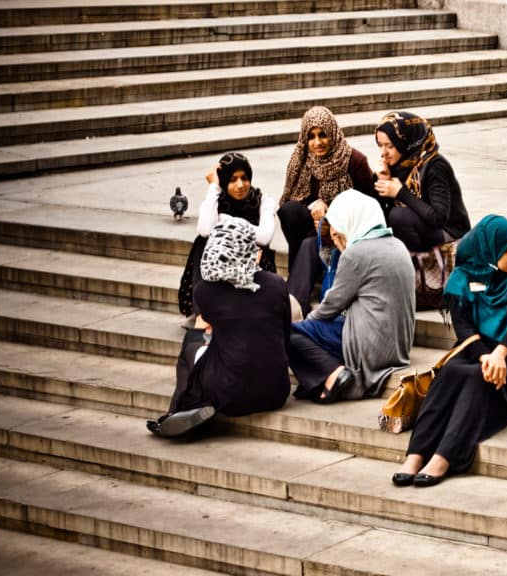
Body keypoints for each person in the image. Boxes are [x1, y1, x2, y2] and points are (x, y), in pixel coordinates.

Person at [391, 215, 507, 488]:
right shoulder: (463, 277)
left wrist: (499, 354)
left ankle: (444, 456)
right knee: (449, 373)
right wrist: (485, 354)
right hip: (475, 347)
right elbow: (463, 326)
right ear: (489, 250)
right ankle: (416, 454)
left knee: (475, 377)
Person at [151, 216, 292, 437]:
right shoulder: (276, 285)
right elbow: (285, 335)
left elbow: (205, 328)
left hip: (229, 394)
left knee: (192, 342)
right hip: (276, 392)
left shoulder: (206, 291)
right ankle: (186, 409)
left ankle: (179, 409)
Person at [288, 190, 415, 403]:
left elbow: (330, 306)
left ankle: (334, 374)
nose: (338, 237)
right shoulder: (398, 246)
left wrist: (305, 326)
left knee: (289, 334)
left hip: (370, 347)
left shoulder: (357, 254)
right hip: (397, 347)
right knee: (316, 330)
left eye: (338, 232)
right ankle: (325, 376)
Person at [279, 107, 377, 315]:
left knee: (309, 245)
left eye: (322, 135)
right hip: (315, 230)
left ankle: (294, 304)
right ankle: (297, 296)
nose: (317, 143)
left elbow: (369, 206)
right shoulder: (303, 160)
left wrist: (334, 215)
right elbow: (293, 197)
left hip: (348, 232)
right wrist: (314, 204)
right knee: (290, 211)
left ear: (332, 132)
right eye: (311, 137)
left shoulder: (355, 161)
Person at [178, 151, 277, 318]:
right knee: (203, 243)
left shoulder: (263, 201)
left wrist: (225, 222)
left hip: (251, 263)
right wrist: (214, 187)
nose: (240, 185)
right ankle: (204, 314)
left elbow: (265, 236)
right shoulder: (215, 200)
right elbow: (204, 230)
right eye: (232, 180)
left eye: (244, 178)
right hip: (220, 265)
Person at [374, 111, 470, 252]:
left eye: (390, 146)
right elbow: (379, 214)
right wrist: (382, 179)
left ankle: (418, 263)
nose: (383, 152)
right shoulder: (398, 163)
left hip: (450, 232)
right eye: (380, 145)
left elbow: (439, 218)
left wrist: (401, 193)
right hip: (422, 226)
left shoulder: (435, 166)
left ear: (405, 142)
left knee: (398, 217)